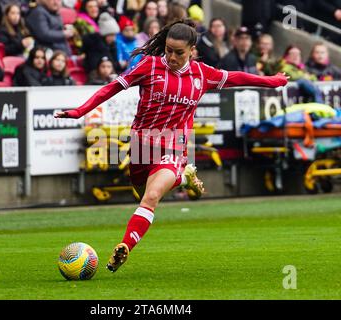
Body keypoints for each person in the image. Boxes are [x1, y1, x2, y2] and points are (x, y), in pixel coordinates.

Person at [55, 19, 288, 273]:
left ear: (192, 50)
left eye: (179, 52)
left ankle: (124, 247)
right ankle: (184, 178)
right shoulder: (149, 66)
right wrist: (80, 111)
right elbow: (111, 88)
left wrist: (273, 81)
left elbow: (237, 77)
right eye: (168, 50)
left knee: (151, 197)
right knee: (142, 190)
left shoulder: (202, 73)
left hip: (174, 147)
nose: (172, 57)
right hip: (142, 146)